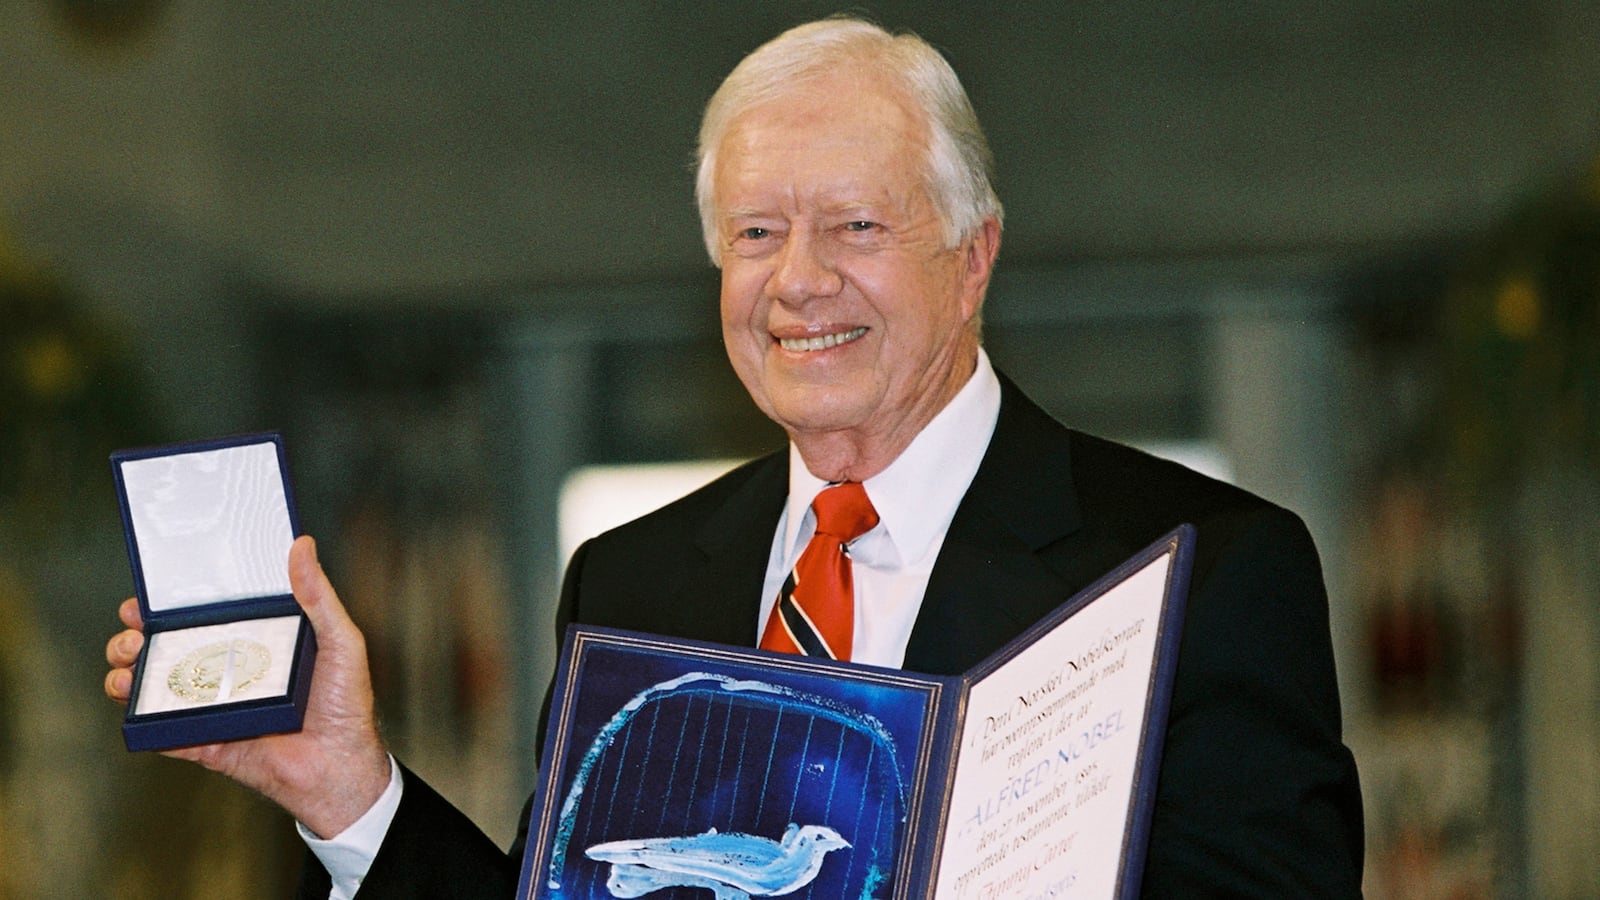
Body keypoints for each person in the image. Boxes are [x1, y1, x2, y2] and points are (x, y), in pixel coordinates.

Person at [105, 16, 1364, 898]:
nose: (798, 281)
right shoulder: (633, 581)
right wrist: (350, 793)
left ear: (973, 256)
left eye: (856, 224)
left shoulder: (1193, 571)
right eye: (756, 231)